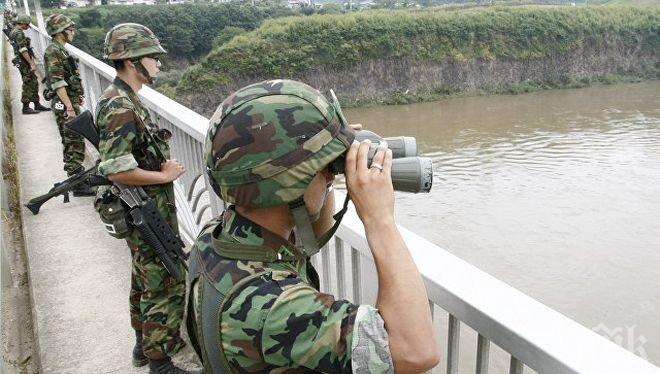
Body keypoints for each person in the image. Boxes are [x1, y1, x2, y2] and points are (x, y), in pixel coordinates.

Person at [186, 79, 440, 372]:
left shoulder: (217, 238)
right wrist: (379, 220)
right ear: (287, 184)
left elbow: (308, 237)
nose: (330, 176)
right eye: (323, 171)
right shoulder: (274, 307)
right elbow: (415, 351)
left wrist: (328, 157)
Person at [96, 23, 189, 374]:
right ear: (133, 62)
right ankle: (160, 363)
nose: (160, 65)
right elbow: (116, 170)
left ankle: (143, 346)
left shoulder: (123, 97)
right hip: (143, 208)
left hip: (141, 207)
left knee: (143, 279)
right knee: (166, 282)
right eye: (153, 58)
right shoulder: (120, 105)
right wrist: (164, 175)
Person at [44, 14, 93, 194]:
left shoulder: (60, 49)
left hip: (66, 101)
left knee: (71, 139)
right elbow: (58, 83)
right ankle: (78, 184)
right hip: (63, 104)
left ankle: (76, 179)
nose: (73, 32)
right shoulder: (53, 51)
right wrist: (70, 107)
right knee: (74, 140)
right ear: (60, 32)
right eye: (70, 29)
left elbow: (67, 79)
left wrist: (76, 96)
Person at [9, 14, 50, 115]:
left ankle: (37, 104)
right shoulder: (18, 33)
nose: (28, 27)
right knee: (28, 83)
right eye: (27, 25)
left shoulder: (14, 31)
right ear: (22, 23)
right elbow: (23, 50)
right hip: (23, 62)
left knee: (34, 82)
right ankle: (26, 107)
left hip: (22, 61)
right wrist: (31, 63)